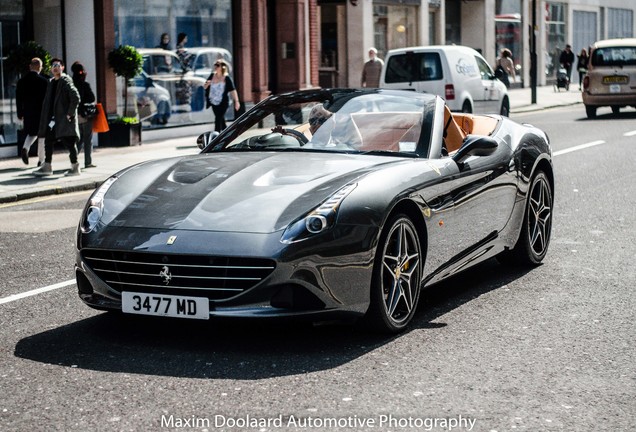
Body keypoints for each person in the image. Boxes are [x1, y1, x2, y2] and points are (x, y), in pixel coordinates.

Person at [33, 58, 81, 177]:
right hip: (53, 120)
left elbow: (76, 97)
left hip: (64, 119)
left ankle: (75, 167)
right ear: (50, 69)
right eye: (53, 65)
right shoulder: (51, 82)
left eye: (57, 65)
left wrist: (70, 113)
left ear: (62, 68)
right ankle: (47, 166)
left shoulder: (65, 81)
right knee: (48, 141)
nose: (55, 67)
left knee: (69, 142)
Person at [16, 57, 48, 166]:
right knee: (42, 136)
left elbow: (18, 99)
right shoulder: (44, 81)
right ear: (40, 67)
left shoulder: (22, 81)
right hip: (41, 113)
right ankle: (41, 160)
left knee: (32, 133)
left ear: (30, 66)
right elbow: (47, 99)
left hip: (28, 112)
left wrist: (20, 113)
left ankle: (25, 147)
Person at [71, 61, 97, 168]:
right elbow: (92, 98)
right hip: (85, 115)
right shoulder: (84, 85)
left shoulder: (71, 84)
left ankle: (73, 160)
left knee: (79, 139)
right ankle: (88, 162)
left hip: (75, 115)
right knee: (87, 139)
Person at [204, 60, 240, 132]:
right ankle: (227, 132)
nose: (215, 67)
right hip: (213, 102)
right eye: (215, 65)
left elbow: (232, 90)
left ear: (222, 67)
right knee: (221, 119)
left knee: (218, 118)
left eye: (217, 65)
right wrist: (207, 84)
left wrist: (236, 101)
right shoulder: (212, 75)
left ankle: (216, 137)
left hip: (223, 102)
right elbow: (205, 87)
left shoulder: (226, 78)